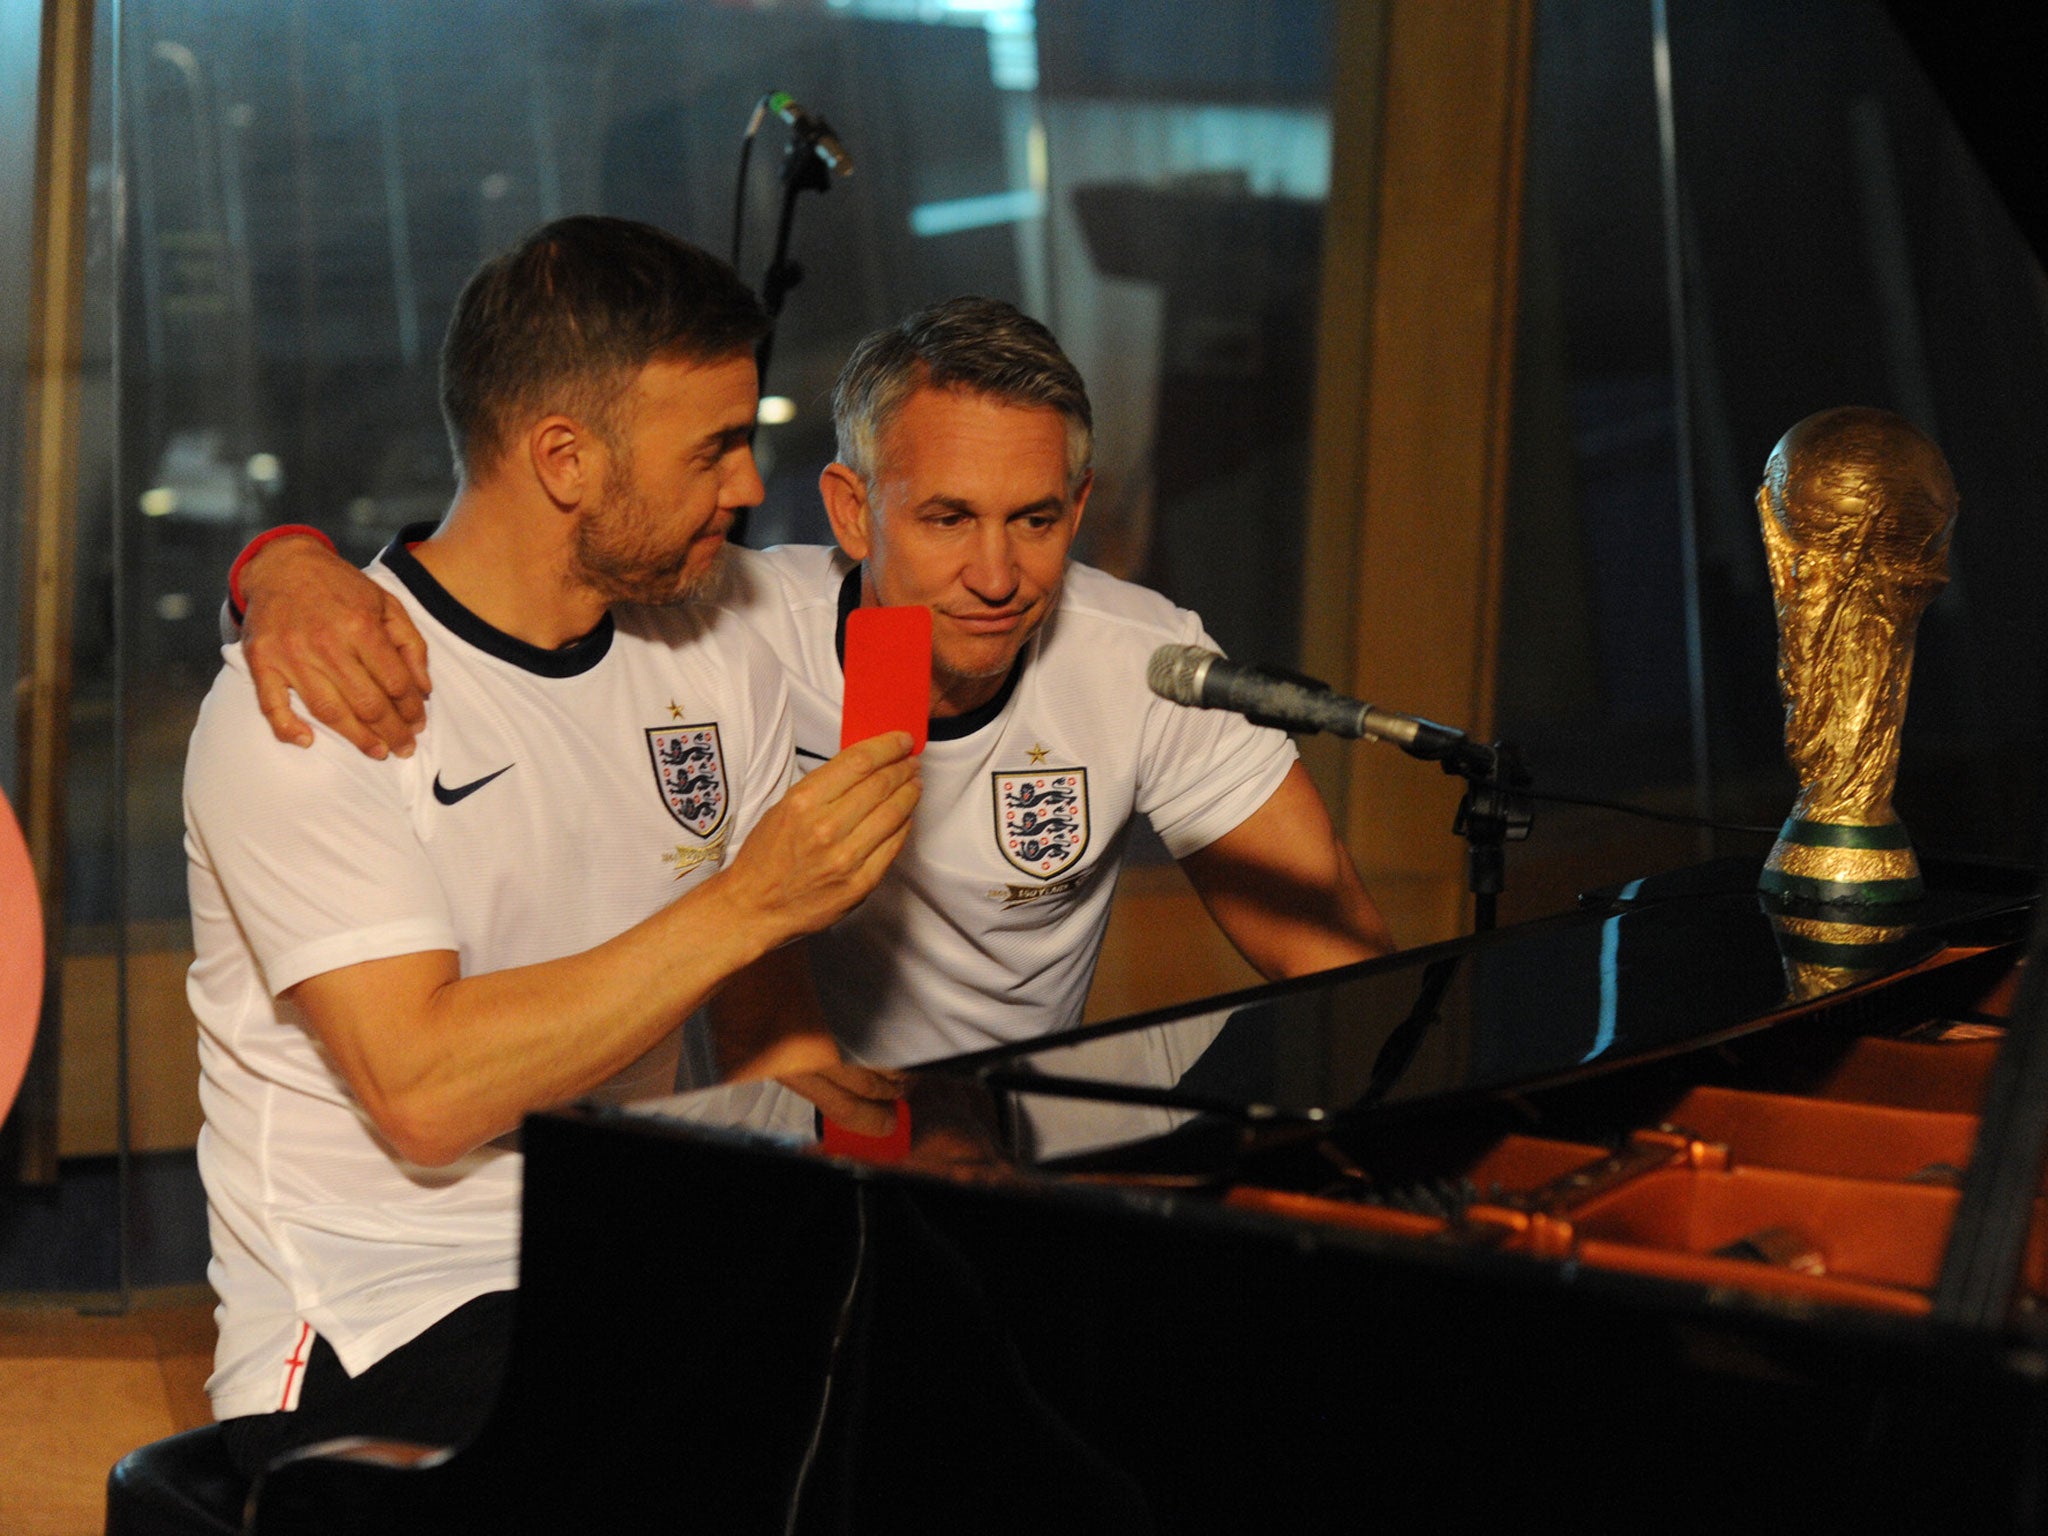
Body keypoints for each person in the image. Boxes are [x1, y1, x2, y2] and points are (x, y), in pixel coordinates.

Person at [183, 216, 920, 1477]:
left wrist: (888, 1156)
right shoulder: (316, 696)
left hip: (628, 1260)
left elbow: (757, 1010)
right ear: (564, 458)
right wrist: (751, 902)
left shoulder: (711, 630)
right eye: (716, 449)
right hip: (387, 1311)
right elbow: (423, 1095)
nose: (748, 487)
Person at [229, 297, 1391, 1084]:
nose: (995, 575)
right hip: (782, 1132)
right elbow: (509, 571)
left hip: (1021, 1146)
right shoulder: (724, 623)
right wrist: (281, 562)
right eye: (945, 520)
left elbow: (1343, 972)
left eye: (1033, 521)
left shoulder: (1141, 658)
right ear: (849, 510)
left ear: (1075, 514)